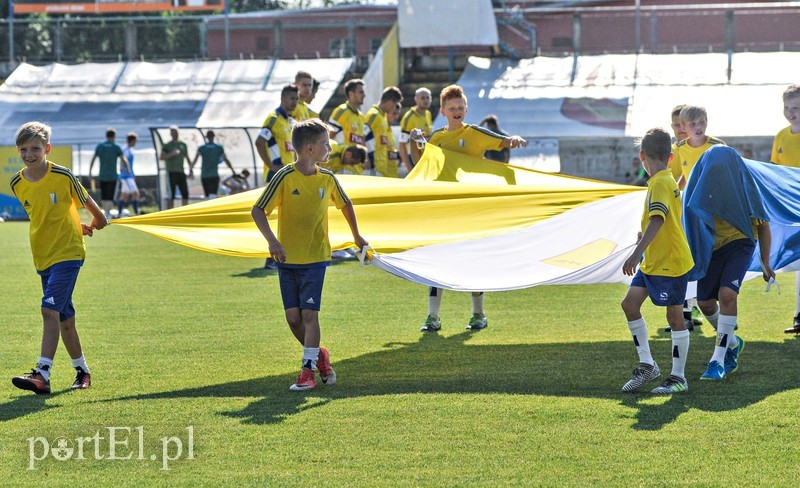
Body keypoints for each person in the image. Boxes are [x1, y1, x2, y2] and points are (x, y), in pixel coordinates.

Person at [251, 118, 368, 391]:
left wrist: (357, 236)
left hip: (316, 258)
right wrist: (273, 242)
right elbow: (258, 210)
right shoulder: (283, 177)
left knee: (309, 315)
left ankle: (307, 373)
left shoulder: (327, 179)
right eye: (326, 145)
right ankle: (319, 356)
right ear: (310, 149)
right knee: (293, 318)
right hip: (287, 259)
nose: (330, 149)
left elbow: (346, 204)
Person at [410, 84, 527, 332]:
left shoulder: (475, 132)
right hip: (443, 208)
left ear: (466, 109)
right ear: (443, 111)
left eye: (461, 107)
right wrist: (414, 141)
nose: (457, 111)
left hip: (471, 208)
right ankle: (433, 316)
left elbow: (503, 142)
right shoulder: (437, 138)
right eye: (452, 107)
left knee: (473, 259)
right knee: (436, 259)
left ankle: (479, 314)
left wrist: (513, 140)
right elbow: (420, 161)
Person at [9, 121, 108, 394]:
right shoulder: (17, 182)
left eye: (35, 148)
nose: (29, 154)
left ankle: (42, 373)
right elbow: (48, 214)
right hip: (42, 257)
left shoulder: (63, 176)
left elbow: (84, 200)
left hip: (69, 253)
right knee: (64, 319)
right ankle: (82, 371)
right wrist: (78, 223)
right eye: (24, 149)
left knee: (48, 310)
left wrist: (99, 219)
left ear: (47, 149)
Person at [684, 146, 775, 381]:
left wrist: (765, 261)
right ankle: (734, 343)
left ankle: (718, 359)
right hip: (712, 250)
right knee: (704, 302)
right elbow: (686, 222)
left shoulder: (745, 190)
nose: (718, 176)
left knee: (727, 294)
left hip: (740, 243)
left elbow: (763, 226)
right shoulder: (700, 189)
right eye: (713, 171)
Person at [620, 128, 694, 394]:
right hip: (654, 261)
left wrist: (636, 251)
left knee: (674, 316)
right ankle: (648, 365)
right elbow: (660, 221)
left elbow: (658, 219)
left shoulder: (662, 182)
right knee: (629, 304)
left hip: (670, 262)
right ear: (671, 156)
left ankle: (678, 378)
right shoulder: (662, 180)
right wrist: (645, 244)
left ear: (642, 157)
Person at [771, 84, 800, 333]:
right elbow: (774, 172)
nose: (791, 113)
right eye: (787, 108)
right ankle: (799, 316)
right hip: (790, 208)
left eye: (796, 108)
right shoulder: (781, 136)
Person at [669, 105, 725, 190]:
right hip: (692, 198)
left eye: (701, 122)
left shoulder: (718, 146)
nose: (698, 127)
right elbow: (686, 173)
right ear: (683, 127)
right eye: (693, 124)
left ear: (707, 122)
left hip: (714, 196)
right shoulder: (681, 147)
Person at [255, 84, 298, 184]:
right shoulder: (273, 118)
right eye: (292, 98)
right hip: (275, 174)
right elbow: (259, 142)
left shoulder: (289, 120)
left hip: (288, 173)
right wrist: (271, 166)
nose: (295, 102)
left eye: (296, 99)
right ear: (283, 98)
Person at [88, 128, 130, 215]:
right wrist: (128, 170)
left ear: (106, 136)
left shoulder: (100, 146)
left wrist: (90, 171)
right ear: (114, 136)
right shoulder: (116, 147)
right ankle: (108, 213)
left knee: (104, 195)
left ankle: (106, 213)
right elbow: (124, 160)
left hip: (102, 175)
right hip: (112, 176)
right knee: (110, 196)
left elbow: (93, 159)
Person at [364, 86, 404, 177]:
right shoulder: (373, 114)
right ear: (390, 103)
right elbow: (363, 136)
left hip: (382, 169)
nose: (394, 108)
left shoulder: (383, 117)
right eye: (394, 105)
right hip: (373, 168)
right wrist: (366, 159)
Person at [191, 130, 237, 198]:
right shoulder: (218, 147)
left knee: (207, 196)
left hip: (204, 175)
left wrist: (191, 169)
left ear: (206, 137)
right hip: (214, 175)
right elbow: (226, 159)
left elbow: (195, 160)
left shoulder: (202, 148)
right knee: (213, 195)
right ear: (213, 136)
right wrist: (233, 170)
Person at [398, 87, 433, 173]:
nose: (426, 100)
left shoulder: (428, 114)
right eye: (422, 98)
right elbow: (402, 145)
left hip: (425, 157)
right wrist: (410, 168)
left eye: (427, 97)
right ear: (416, 99)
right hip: (413, 159)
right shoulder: (409, 117)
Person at [160, 125, 192, 209]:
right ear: (170, 134)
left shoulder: (183, 145)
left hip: (181, 172)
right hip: (171, 172)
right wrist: (172, 154)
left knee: (185, 194)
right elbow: (162, 157)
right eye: (173, 132)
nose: (175, 134)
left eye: (176, 132)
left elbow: (187, 158)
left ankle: (184, 213)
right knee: (171, 195)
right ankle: (171, 214)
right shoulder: (167, 145)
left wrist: (191, 170)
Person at [328, 78, 366, 148]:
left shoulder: (361, 116)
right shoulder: (341, 111)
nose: (364, 95)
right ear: (351, 94)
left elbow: (362, 141)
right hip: (341, 158)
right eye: (361, 92)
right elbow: (329, 137)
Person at [118, 132, 140, 216]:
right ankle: (136, 213)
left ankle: (120, 213)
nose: (136, 143)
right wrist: (126, 171)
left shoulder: (130, 149)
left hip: (129, 175)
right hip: (126, 176)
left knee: (124, 195)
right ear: (132, 140)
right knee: (135, 193)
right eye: (135, 141)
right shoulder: (125, 149)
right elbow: (123, 160)